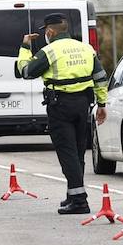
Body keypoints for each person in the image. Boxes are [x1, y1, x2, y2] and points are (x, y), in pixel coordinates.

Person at [17, 13, 109, 215]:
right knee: (77, 153)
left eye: (46, 32)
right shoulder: (86, 48)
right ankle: (73, 194)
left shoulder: (49, 51)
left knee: (67, 153)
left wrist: (25, 47)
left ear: (49, 31)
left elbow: (25, 72)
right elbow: (100, 77)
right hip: (83, 104)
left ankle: (79, 201)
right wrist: (102, 103)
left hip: (61, 106)